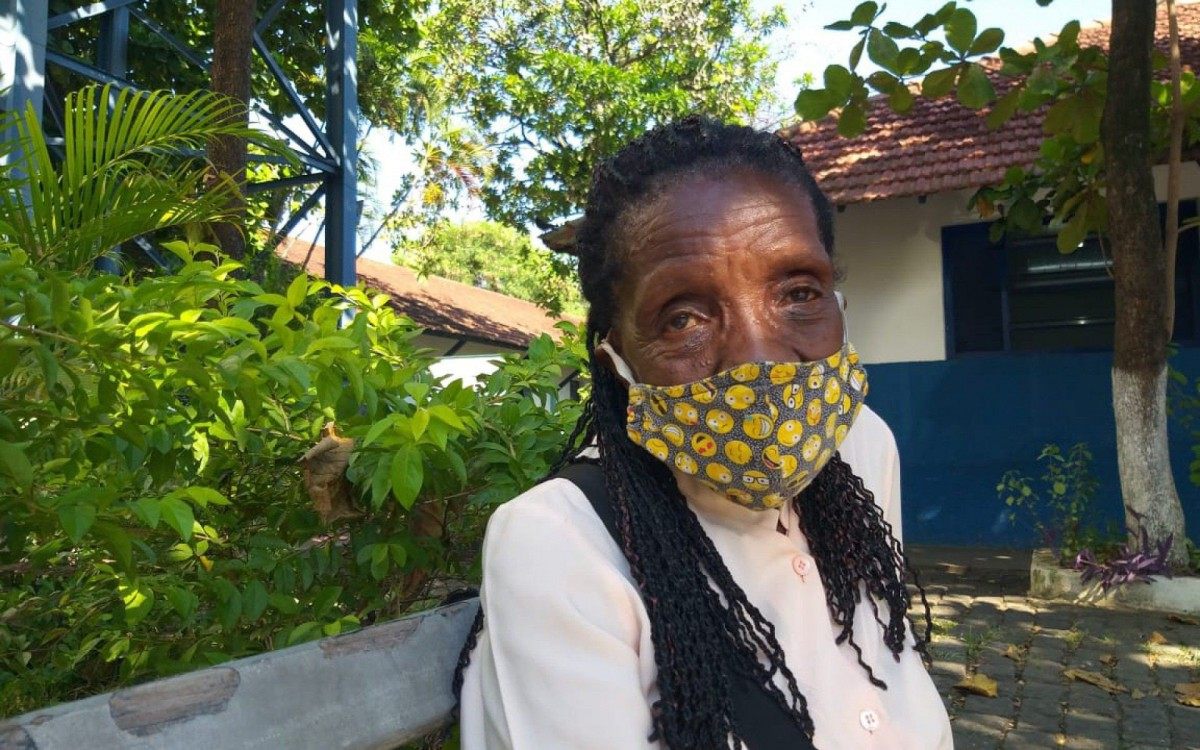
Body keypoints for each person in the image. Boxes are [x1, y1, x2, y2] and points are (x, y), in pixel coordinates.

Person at [454, 116, 953, 749]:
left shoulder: (863, 447)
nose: (759, 362)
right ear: (617, 363)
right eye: (683, 318)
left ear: (839, 305)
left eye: (799, 292)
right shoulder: (560, 545)